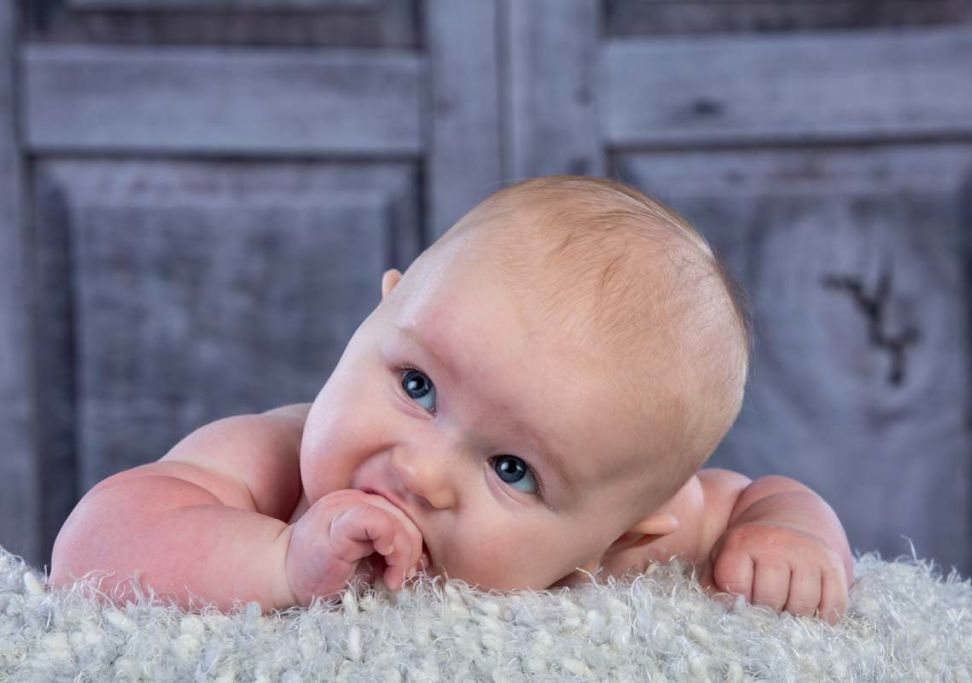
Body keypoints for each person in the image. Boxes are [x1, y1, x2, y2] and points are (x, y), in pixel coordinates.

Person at [50, 176, 853, 623]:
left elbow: (756, 497)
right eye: (416, 386)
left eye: (512, 467)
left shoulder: (622, 542)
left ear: (611, 535)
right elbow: (93, 544)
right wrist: (277, 562)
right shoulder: (270, 460)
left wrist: (791, 536)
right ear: (377, 314)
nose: (421, 473)